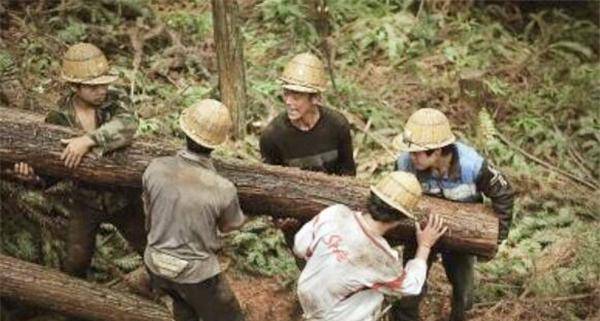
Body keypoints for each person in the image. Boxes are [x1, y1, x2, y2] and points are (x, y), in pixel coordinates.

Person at [13, 42, 144, 278]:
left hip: (123, 197)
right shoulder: (59, 117)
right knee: (75, 261)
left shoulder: (116, 98)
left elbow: (128, 125)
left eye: (104, 84)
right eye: (92, 87)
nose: (101, 91)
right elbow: (53, 168)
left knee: (152, 249)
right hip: (85, 200)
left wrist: (88, 140)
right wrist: (33, 177)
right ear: (74, 86)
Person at [392, 108, 515, 321]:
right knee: (408, 292)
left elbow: (503, 193)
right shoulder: (405, 164)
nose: (411, 157)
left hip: (462, 233)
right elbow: (394, 198)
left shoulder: (472, 165)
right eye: (410, 152)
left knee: (463, 292)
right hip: (420, 231)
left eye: (416, 153)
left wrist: (498, 237)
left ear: (437, 151)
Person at [294, 171, 448, 321]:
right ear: (401, 218)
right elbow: (411, 286)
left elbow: (300, 247)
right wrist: (425, 246)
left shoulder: (335, 213)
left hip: (308, 298)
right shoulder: (380, 258)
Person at [143, 99, 246, 321]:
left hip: (155, 263)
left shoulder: (154, 168)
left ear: (185, 131)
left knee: (184, 310)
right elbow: (231, 225)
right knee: (230, 316)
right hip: (196, 274)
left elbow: (148, 210)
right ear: (218, 143)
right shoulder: (223, 187)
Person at [259, 52, 356, 176]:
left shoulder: (337, 125)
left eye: (296, 97)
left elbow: (348, 173)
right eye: (286, 94)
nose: (288, 102)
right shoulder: (272, 136)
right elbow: (271, 183)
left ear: (315, 98)